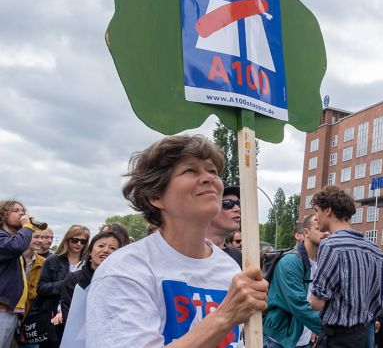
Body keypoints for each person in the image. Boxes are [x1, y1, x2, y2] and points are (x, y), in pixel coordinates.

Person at [86, 134, 268, 346]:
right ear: (156, 196)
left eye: (212, 171)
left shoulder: (229, 268)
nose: (209, 178)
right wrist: (224, 317)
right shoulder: (124, 270)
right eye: (190, 170)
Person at [308, 185, 383, 347]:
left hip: (338, 338)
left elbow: (317, 302)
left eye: (317, 210)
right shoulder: (373, 248)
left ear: (328, 210)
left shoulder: (331, 246)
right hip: (363, 335)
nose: (316, 217)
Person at [264, 213, 327, 348]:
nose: (325, 232)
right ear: (306, 232)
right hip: (281, 338)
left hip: (303, 338)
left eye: (326, 228)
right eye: (319, 228)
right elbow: (298, 304)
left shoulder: (320, 262)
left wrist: (313, 330)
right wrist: (330, 331)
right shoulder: (290, 262)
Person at [37, 224, 90, 346]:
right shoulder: (53, 260)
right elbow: (41, 288)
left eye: (83, 241)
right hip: (53, 317)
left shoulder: (88, 264)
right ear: (67, 239)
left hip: (78, 317)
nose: (78, 244)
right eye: (75, 240)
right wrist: (67, 284)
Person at [60, 230, 124, 323]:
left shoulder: (121, 282)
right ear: (90, 251)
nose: (106, 250)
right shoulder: (74, 279)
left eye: (112, 248)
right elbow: (68, 314)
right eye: (101, 246)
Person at [0, 200, 34, 347]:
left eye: (22, 211)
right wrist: (27, 226)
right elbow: (16, 246)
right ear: (2, 215)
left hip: (10, 311)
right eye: (15, 210)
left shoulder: (11, 241)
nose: (21, 214)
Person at [16, 228, 46, 348]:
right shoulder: (11, 259)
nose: (40, 241)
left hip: (30, 321)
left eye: (42, 237)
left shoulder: (44, 263)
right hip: (9, 314)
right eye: (36, 237)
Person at [206, 185, 242, 268]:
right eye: (228, 204)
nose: (237, 208)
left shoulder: (238, 256)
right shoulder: (187, 253)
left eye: (238, 203)